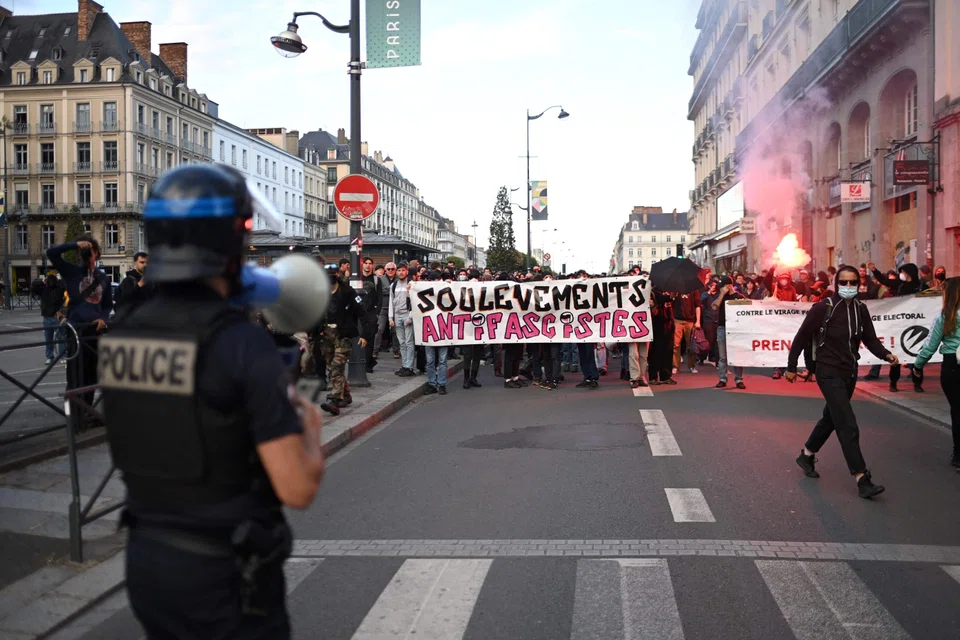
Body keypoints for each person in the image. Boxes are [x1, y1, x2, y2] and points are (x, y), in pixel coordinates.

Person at [97, 164, 326, 638]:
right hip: (226, 575)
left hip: (147, 560)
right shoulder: (241, 345)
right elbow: (297, 488)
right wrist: (307, 424)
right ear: (229, 242)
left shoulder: (126, 328)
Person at [786, 266, 898, 499]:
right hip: (827, 372)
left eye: (853, 283)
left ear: (859, 284)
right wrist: (791, 367)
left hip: (849, 372)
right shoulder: (823, 308)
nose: (848, 287)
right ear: (837, 284)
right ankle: (862, 478)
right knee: (847, 423)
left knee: (832, 417)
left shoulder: (861, 309)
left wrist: (886, 354)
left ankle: (806, 454)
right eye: (844, 283)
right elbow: (802, 336)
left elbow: (869, 339)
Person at [47, 234, 112, 423]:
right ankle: (74, 418)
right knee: (75, 376)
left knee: (92, 375)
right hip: (76, 330)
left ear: (97, 253)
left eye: (90, 250)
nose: (86, 254)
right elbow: (51, 253)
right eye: (83, 251)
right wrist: (73, 245)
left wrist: (103, 318)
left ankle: (87, 413)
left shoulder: (103, 278)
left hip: (95, 331)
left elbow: (107, 304)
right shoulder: (72, 272)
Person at [913, 276, 960, 470]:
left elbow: (930, 345)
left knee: (957, 410)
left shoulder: (946, 316)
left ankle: (958, 455)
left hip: (952, 365)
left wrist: (918, 366)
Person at [317, 264, 370, 416]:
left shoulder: (348, 292)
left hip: (343, 334)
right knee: (331, 366)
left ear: (338, 276)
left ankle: (334, 400)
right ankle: (345, 395)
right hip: (326, 334)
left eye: (333, 274)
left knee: (336, 367)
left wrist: (365, 335)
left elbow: (362, 313)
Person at [115, 251, 156, 318]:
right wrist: (140, 284)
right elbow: (126, 298)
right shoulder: (129, 280)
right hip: (132, 318)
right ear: (135, 263)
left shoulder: (152, 280)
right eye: (142, 262)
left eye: (147, 263)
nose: (145, 265)